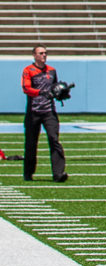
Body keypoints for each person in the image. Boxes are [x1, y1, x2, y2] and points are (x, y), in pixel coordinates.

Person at [22, 44, 68, 182]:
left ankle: (58, 174)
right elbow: (26, 88)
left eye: (45, 53)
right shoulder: (28, 70)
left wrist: (61, 93)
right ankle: (28, 173)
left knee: (54, 141)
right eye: (41, 53)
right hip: (33, 111)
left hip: (49, 111)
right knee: (31, 143)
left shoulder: (52, 71)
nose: (44, 55)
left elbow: (54, 88)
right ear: (34, 55)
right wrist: (41, 92)